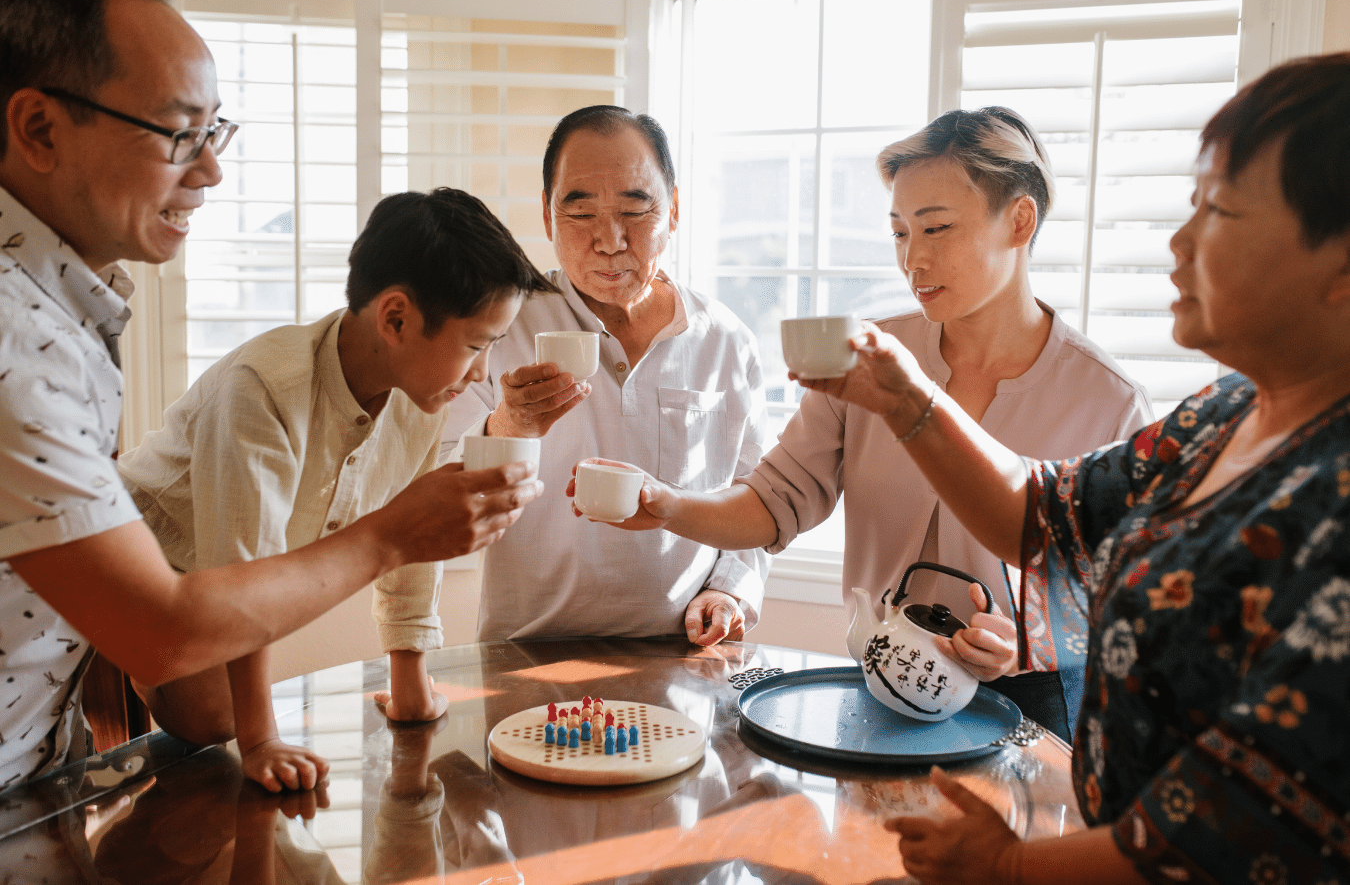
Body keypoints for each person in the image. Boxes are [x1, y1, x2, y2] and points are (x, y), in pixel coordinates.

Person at [796, 54, 1350, 883]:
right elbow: (1040, 515)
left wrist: (1011, 868)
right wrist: (908, 398)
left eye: (1221, 210)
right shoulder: (1219, 418)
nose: (1179, 239)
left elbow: (1239, 823)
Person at [0, 0, 543, 791]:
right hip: (144, 629)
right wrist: (396, 530)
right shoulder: (25, 339)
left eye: (214, 131)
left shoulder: (71, 312)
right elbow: (167, 625)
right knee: (213, 724)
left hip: (42, 744)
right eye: (180, 135)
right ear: (41, 129)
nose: (214, 170)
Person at [583, 107, 1151, 740]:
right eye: (900, 232)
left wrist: (1029, 640)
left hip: (1031, 701)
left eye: (936, 229)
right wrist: (667, 506)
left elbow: (1133, 602)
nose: (914, 259)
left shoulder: (1109, 400)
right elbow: (774, 502)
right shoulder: (868, 361)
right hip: (877, 684)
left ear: (1019, 220)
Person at [116, 187, 553, 792]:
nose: (483, 372)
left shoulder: (424, 402)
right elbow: (244, 572)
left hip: (237, 586)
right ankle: (135, 662)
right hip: (142, 566)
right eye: (476, 345)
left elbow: (411, 546)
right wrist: (261, 739)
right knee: (214, 714)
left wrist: (410, 679)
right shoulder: (263, 389)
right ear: (396, 318)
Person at [439, 105, 769, 645]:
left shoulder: (724, 340)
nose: (610, 240)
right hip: (524, 653)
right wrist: (508, 428)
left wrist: (730, 590)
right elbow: (437, 501)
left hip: (681, 652)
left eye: (635, 211)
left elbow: (758, 494)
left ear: (675, 210)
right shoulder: (499, 325)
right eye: (581, 211)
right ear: (547, 217)